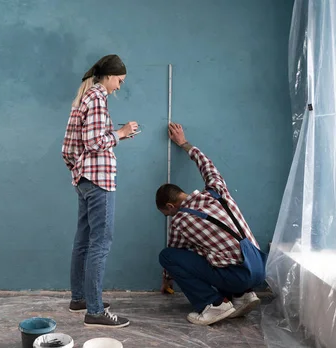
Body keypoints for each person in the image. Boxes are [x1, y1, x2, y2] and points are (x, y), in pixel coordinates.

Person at [156, 123, 267, 326]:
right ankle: (243, 296)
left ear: (171, 206)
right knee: (208, 250)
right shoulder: (218, 190)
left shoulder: (180, 221)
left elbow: (174, 255)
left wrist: (167, 280)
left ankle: (213, 304)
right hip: (259, 267)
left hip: (237, 275)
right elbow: (207, 165)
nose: (170, 218)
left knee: (168, 256)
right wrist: (183, 143)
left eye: (167, 214)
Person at [61, 54, 138, 328]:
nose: (119, 86)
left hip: (85, 180)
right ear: (109, 76)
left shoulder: (85, 97)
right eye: (119, 80)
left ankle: (80, 298)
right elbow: (94, 142)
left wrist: (78, 170)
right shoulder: (97, 97)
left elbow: (71, 147)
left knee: (83, 242)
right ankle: (94, 311)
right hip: (99, 181)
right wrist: (122, 133)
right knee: (100, 243)